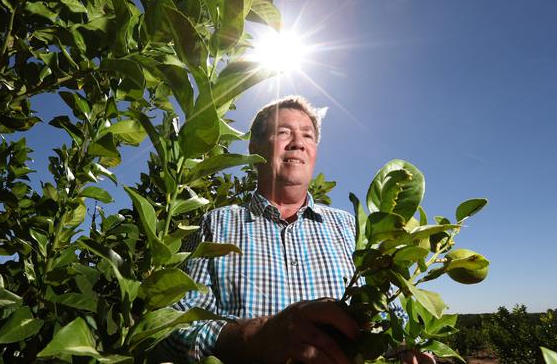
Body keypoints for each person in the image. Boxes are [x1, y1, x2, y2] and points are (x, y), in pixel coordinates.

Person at [159, 96, 434, 364]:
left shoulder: (351, 228)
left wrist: (405, 349)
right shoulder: (215, 225)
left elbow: (394, 317)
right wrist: (253, 336)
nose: (298, 143)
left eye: (308, 136)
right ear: (254, 148)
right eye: (283, 132)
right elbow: (170, 328)